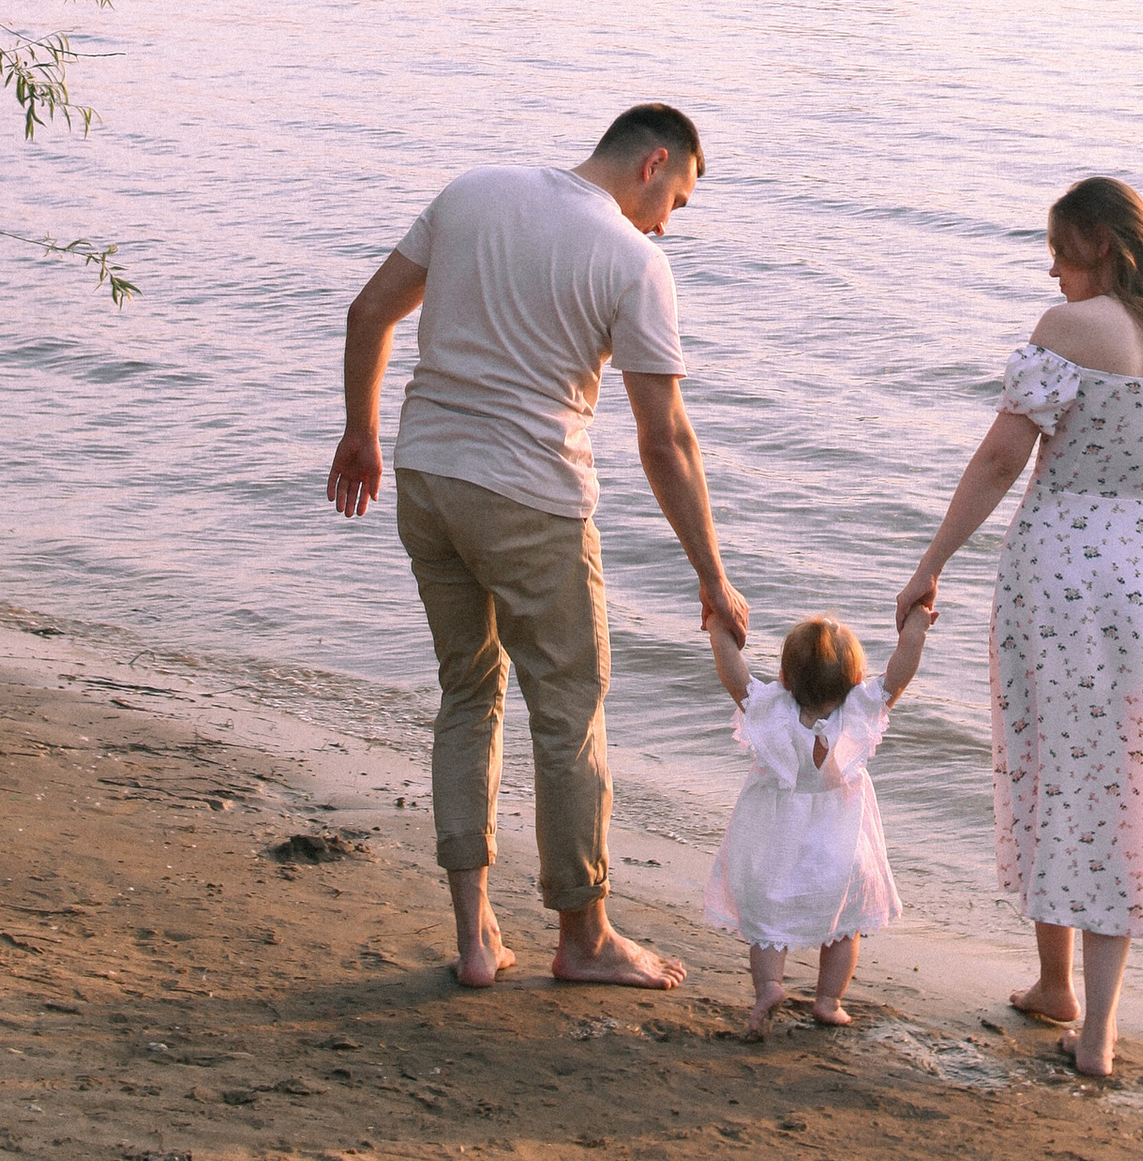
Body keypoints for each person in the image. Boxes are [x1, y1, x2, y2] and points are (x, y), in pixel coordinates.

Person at [328, 105, 748, 993]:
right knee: (568, 710)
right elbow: (664, 439)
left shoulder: (474, 192)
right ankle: (584, 935)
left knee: (468, 693)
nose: (670, 221)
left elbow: (370, 311)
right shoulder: (635, 260)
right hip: (530, 500)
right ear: (654, 163)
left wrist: (360, 433)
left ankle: (476, 935)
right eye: (677, 197)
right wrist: (711, 573)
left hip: (427, 476)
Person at [897, 175, 1143, 1084]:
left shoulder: (1067, 333)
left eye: (1059, 250)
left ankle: (1079, 1017)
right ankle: (1071, 1001)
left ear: (1098, 240)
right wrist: (1141, 444)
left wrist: (931, 562)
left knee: (1057, 760)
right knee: (1123, 781)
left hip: (1058, 568)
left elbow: (1001, 458)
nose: (1052, 270)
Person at [703, 600, 932, 1038]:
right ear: (857, 679)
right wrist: (916, 627)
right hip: (840, 847)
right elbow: (900, 674)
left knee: (767, 926)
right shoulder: (859, 714)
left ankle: (769, 987)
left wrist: (719, 627)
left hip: (775, 842)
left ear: (785, 679)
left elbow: (734, 676)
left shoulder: (772, 712)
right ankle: (828, 1001)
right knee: (843, 926)